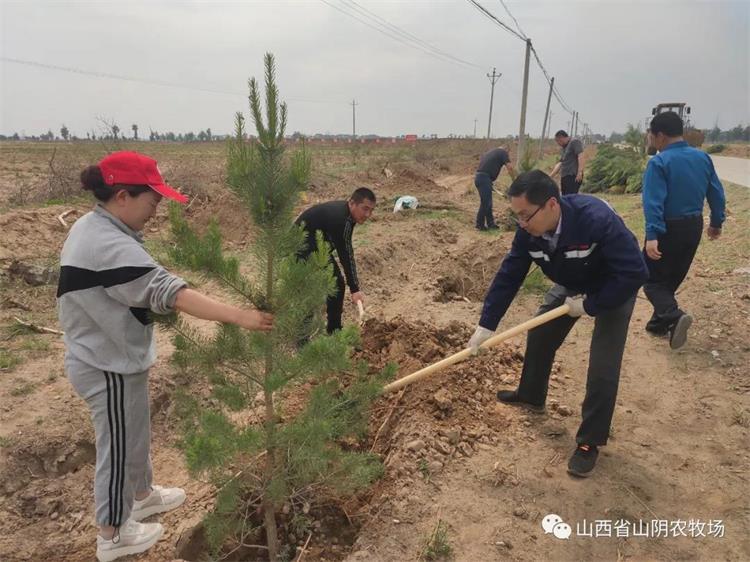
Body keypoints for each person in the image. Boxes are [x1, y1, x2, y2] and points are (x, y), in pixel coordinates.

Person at [58, 151, 274, 562]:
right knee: (118, 445)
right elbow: (169, 292)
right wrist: (241, 316)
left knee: (134, 430)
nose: (156, 211)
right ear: (123, 196)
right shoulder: (105, 242)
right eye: (153, 202)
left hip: (116, 353)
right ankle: (112, 532)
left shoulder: (99, 226)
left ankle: (141, 496)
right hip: (105, 364)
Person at [467, 170, 648, 477]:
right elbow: (509, 275)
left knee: (603, 365)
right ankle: (531, 394)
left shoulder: (596, 219)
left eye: (526, 216)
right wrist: (487, 325)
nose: (521, 224)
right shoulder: (528, 232)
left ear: (551, 205)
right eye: (517, 217)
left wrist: (590, 305)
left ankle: (589, 441)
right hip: (572, 280)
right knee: (540, 331)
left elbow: (635, 272)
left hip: (614, 284)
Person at [641, 111, 726, 349]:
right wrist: (716, 222)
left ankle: (674, 316)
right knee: (671, 275)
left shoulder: (659, 162)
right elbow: (716, 192)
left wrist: (653, 235)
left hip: (668, 226)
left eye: (650, 135)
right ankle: (659, 324)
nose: (650, 140)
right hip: (693, 225)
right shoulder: (702, 158)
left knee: (651, 279)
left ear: (659, 136)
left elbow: (653, 202)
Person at [295, 187, 375, 334]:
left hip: (315, 246)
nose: (368, 214)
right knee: (313, 290)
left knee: (336, 283)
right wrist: (355, 288)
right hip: (302, 247)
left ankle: (333, 329)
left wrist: (353, 286)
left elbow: (345, 250)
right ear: (352, 203)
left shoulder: (347, 215)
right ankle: (305, 338)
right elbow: (346, 253)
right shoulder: (341, 219)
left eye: (371, 210)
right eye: (365, 209)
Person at [474, 146, 516, 230]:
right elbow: (510, 168)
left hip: (481, 178)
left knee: (488, 203)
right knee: (486, 203)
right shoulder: (503, 152)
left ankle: (491, 224)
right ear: (507, 150)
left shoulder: (491, 152)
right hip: (484, 178)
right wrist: (514, 180)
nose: (508, 155)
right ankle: (479, 225)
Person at [550, 130, 585, 195]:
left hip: (573, 176)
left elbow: (581, 156)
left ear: (561, 138)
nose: (558, 144)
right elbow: (560, 163)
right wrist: (550, 176)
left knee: (571, 197)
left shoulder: (574, 142)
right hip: (565, 176)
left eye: (558, 141)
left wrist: (580, 172)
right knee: (565, 197)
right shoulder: (564, 148)